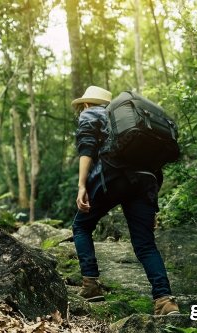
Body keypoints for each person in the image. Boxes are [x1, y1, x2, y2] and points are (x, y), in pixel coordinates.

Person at [71, 85, 180, 316]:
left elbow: (87, 148)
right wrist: (154, 209)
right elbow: (156, 169)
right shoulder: (133, 120)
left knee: (81, 225)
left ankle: (90, 285)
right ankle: (165, 300)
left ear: (87, 104)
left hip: (114, 176)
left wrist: (82, 185)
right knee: (145, 244)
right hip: (145, 181)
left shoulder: (91, 113)